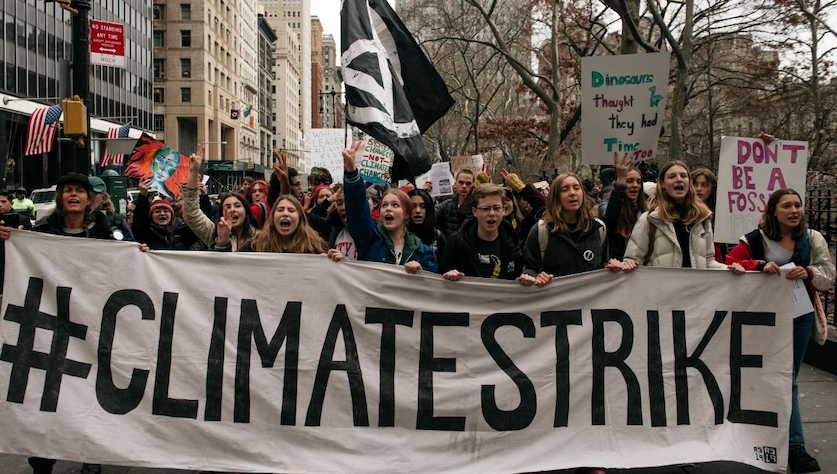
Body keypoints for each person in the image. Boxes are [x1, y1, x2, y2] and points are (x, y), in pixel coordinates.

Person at [0, 173, 136, 474]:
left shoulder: (108, 229)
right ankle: (41, 458)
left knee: (87, 390)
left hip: (94, 325)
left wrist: (140, 254)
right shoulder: (41, 231)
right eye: (68, 190)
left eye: (79, 191)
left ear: (89, 199)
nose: (73, 195)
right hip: (52, 324)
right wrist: (11, 241)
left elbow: (130, 261)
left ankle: (90, 455)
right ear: (61, 197)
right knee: (47, 391)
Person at [725, 189, 835, 474]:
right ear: (773, 211)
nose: (794, 210)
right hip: (760, 318)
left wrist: (808, 273)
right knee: (761, 375)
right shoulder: (754, 240)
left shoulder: (812, 239)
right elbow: (728, 265)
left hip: (799, 317)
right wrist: (758, 265)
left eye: (798, 205)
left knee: (788, 378)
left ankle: (794, 446)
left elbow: (828, 275)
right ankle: (765, 437)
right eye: (787, 205)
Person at [331, 140, 437, 273]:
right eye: (384, 205)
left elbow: (433, 282)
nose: (388, 208)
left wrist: (421, 272)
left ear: (406, 214)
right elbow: (357, 210)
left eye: (395, 205)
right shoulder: (370, 239)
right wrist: (351, 173)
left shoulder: (422, 251)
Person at [621, 161, 744, 273]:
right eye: (672, 176)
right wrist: (627, 264)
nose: (679, 179)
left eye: (683, 176)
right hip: (661, 289)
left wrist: (729, 269)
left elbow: (708, 262)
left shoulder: (703, 219)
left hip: (695, 289)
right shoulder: (649, 220)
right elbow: (633, 260)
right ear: (662, 184)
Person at [519, 173, 616, 287]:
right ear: (556, 197)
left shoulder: (599, 228)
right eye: (565, 190)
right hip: (554, 297)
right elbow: (528, 269)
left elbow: (602, 266)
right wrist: (534, 277)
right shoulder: (541, 231)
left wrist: (612, 267)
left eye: (576, 188)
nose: (572, 193)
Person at [440, 184, 521, 281]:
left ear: (503, 210)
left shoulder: (513, 243)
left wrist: (525, 278)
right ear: (475, 211)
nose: (492, 213)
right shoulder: (456, 242)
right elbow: (441, 277)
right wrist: (449, 275)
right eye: (485, 209)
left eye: (496, 208)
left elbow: (519, 276)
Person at [183, 147, 257, 251]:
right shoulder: (213, 233)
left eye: (237, 206)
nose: (232, 210)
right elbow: (191, 213)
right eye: (227, 207)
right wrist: (194, 172)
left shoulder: (260, 238)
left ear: (246, 211)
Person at [239, 195, 328, 253]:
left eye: (291, 210)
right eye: (280, 210)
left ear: (300, 218)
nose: (285, 214)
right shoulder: (255, 245)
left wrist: (332, 258)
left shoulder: (315, 246)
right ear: (273, 217)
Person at [599, 153, 647, 260]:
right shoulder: (608, 200)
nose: (635, 185)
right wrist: (620, 183)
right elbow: (610, 217)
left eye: (639, 182)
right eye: (629, 181)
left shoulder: (644, 209)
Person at [132, 178, 197, 250]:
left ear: (171, 215)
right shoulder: (146, 233)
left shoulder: (182, 231)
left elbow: (201, 230)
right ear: (151, 216)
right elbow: (140, 219)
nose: (162, 214)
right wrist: (143, 195)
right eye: (157, 211)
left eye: (166, 211)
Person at [690, 168, 726, 262]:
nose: (698, 189)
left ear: (712, 189)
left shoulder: (720, 215)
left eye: (704, 185)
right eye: (695, 184)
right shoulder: (683, 213)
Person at [435, 169, 475, 238]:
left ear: (473, 186)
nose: (464, 186)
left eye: (468, 183)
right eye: (461, 182)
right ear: (455, 184)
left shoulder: (477, 208)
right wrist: (429, 199)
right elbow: (430, 218)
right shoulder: (446, 205)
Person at [407, 188, 445, 260]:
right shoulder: (398, 236)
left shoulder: (438, 236)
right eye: (413, 206)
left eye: (423, 207)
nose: (418, 211)